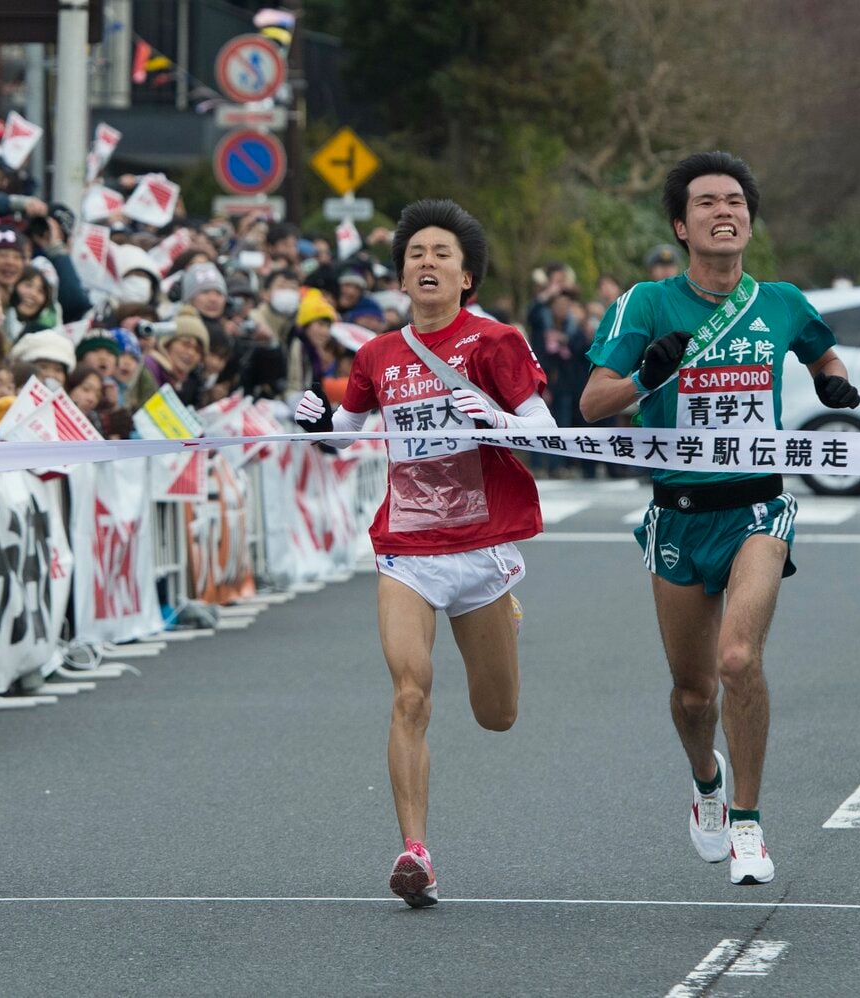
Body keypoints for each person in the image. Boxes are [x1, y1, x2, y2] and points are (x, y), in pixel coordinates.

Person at [580, 151, 860, 886]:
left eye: (734, 200)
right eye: (706, 202)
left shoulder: (782, 301)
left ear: (749, 219)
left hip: (757, 506)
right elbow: (591, 405)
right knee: (694, 691)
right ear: (681, 224)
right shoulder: (646, 303)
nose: (723, 211)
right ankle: (705, 779)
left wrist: (833, 385)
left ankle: (747, 822)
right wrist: (648, 374)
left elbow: (823, 355)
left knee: (739, 660)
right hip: (678, 513)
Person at [293, 198, 555, 908]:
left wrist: (496, 420)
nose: (427, 262)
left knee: (496, 715)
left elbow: (546, 429)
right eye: (415, 254)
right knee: (410, 692)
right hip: (405, 546)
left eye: (441, 253)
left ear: (466, 275)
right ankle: (416, 853)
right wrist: (318, 423)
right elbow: (345, 433)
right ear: (402, 276)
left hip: (481, 544)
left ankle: (508, 610)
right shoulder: (377, 355)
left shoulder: (496, 341)